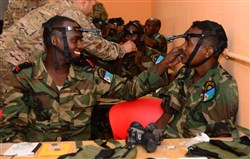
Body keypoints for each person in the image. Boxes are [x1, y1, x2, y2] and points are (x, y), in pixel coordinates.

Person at [0, 15, 176, 142]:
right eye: (76, 40)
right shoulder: (23, 78)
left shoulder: (90, 75)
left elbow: (129, 89)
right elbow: (11, 130)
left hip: (80, 153)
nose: (81, 46)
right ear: (55, 40)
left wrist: (162, 65)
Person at [0, 0, 136, 106]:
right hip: (8, 63)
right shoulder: (73, 14)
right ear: (83, 2)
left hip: (6, 56)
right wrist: (123, 49)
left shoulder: (56, 7)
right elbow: (97, 46)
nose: (92, 10)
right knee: (10, 111)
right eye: (92, 6)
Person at [152, 20, 239, 138]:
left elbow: (221, 138)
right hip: (168, 143)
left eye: (188, 44)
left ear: (207, 52)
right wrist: (150, 132)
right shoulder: (185, 73)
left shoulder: (222, 84)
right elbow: (168, 114)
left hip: (193, 151)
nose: (181, 47)